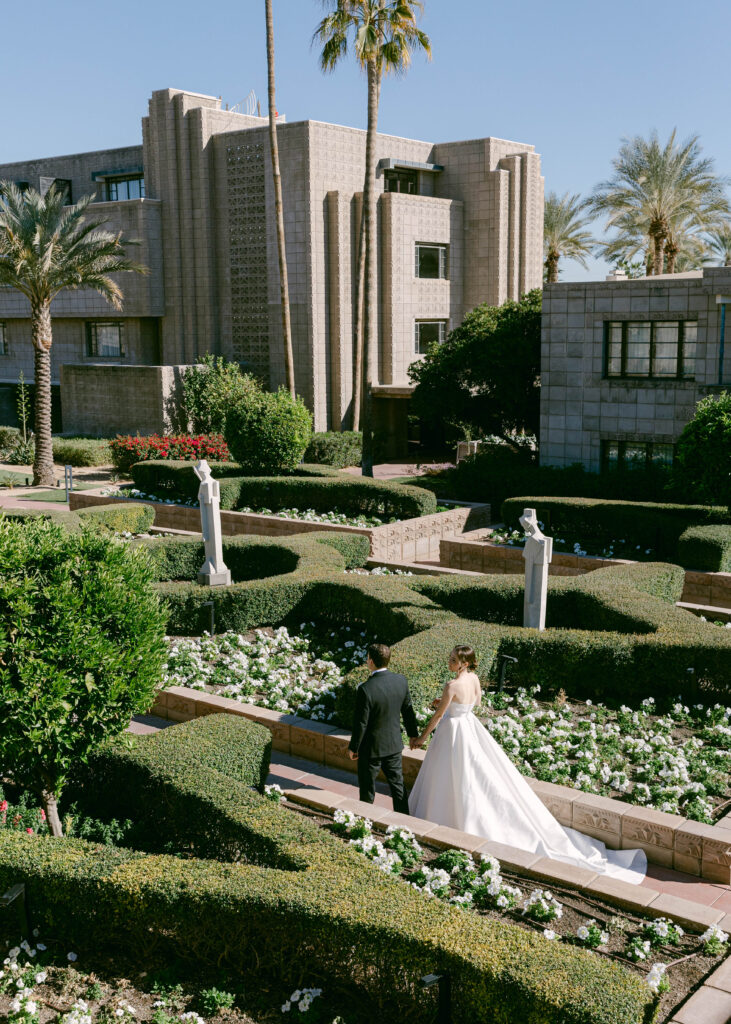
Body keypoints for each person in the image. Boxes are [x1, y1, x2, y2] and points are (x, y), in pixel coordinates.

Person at [408, 645, 647, 885]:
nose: (449, 662)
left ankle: (449, 818)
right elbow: (476, 702)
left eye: (453, 660)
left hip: (452, 731)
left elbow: (438, 716)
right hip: (469, 727)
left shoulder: (451, 686)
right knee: (471, 775)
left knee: (452, 776)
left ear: (464, 663)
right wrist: (451, 704)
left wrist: (421, 738)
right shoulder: (474, 679)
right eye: (450, 658)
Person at [348, 643, 419, 813]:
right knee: (398, 787)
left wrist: (353, 747)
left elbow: (361, 723)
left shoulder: (365, 689)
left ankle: (365, 821)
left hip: (370, 749)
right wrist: (413, 735)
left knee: (367, 789)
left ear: (370, 661)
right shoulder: (401, 681)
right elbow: (408, 712)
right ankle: (403, 823)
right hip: (393, 745)